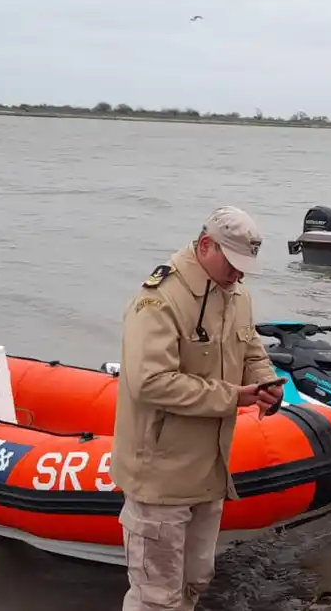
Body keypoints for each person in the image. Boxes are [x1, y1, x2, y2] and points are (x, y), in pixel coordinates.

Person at [112, 206, 286, 611]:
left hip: (209, 473)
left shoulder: (236, 294)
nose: (239, 274)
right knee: (156, 597)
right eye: (233, 263)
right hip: (160, 477)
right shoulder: (158, 300)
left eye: (245, 266)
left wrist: (267, 384)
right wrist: (233, 396)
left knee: (194, 583)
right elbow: (149, 382)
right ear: (206, 245)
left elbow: (252, 349)